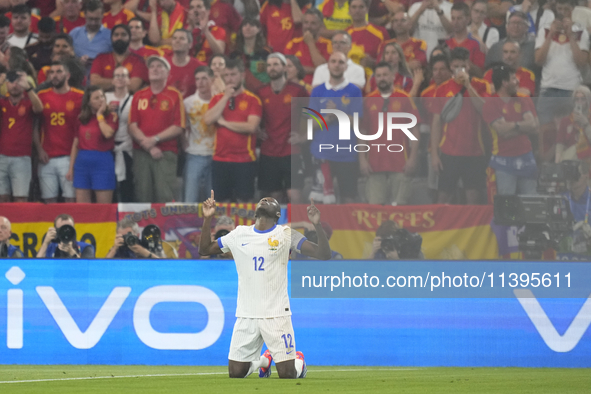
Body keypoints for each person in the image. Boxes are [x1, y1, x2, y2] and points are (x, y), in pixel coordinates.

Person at [198, 192, 331, 379]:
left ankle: (298, 361)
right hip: (247, 314)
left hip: (276, 314)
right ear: (255, 212)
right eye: (263, 199)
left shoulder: (285, 235)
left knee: (287, 375)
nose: (265, 200)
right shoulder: (239, 234)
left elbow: (323, 254)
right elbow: (204, 249)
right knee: (236, 374)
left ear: (278, 215)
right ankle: (264, 361)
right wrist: (207, 219)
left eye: (271, 201)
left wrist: (316, 224)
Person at [430, 47, 490, 205]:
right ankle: (441, 228)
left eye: (462, 66)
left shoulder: (481, 85)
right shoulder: (442, 89)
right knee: (443, 196)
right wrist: (435, 155)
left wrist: (468, 85)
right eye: (456, 66)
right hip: (449, 150)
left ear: (468, 66)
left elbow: (485, 110)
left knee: (473, 196)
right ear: (450, 66)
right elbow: (436, 122)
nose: (459, 70)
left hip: (475, 151)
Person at [535, 0, 589, 162]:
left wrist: (571, 36)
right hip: (548, 89)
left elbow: (582, 62)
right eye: (560, 8)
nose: (563, 12)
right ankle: (547, 171)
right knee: (545, 134)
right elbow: (538, 60)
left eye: (567, 9)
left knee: (573, 133)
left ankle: (571, 172)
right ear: (555, 10)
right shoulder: (544, 31)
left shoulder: (581, 33)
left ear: (572, 11)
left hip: (572, 91)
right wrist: (551, 35)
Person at [361, 61, 421, 206]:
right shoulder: (368, 101)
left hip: (401, 163)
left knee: (400, 210)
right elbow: (362, 132)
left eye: (385, 75)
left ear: (393, 77)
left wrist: (413, 158)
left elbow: (415, 129)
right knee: (375, 210)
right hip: (375, 164)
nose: (382, 78)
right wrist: (362, 159)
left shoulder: (405, 98)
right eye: (379, 75)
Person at [203, 58, 262, 203]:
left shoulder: (252, 99)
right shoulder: (217, 99)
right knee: (222, 202)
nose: (230, 79)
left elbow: (251, 127)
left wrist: (224, 122)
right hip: (220, 159)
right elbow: (208, 119)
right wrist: (226, 97)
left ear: (242, 75)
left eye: (233, 75)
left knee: (245, 202)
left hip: (245, 160)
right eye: (227, 75)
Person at [128, 56, 185, 203]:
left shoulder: (174, 95)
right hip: (141, 151)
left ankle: (167, 226)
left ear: (168, 73)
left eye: (160, 66)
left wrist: (154, 139)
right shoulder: (138, 95)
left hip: (165, 151)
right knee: (142, 194)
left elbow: (179, 126)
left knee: (164, 194)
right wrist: (148, 145)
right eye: (152, 66)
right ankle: (145, 227)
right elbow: (132, 125)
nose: (155, 69)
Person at [308, 51, 363, 204]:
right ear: (328, 66)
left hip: (347, 154)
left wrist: (337, 112)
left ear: (346, 66)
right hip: (321, 154)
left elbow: (358, 122)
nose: (337, 65)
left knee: (349, 198)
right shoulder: (318, 91)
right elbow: (311, 124)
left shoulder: (354, 91)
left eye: (340, 62)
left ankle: (348, 229)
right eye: (333, 61)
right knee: (319, 200)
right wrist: (327, 118)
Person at [256, 53, 309, 203]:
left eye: (276, 64)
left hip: (292, 150)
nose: (272, 68)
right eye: (269, 65)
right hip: (269, 150)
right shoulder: (261, 92)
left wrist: (304, 137)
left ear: (284, 67)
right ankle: (277, 227)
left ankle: (298, 225)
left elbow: (315, 117)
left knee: (295, 195)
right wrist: (257, 131)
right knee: (274, 198)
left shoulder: (298, 91)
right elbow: (253, 117)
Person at [483, 65, 539, 196]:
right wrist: (523, 127)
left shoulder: (522, 98)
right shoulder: (491, 104)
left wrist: (513, 126)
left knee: (531, 200)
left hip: (526, 157)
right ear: (504, 82)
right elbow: (502, 132)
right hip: (504, 160)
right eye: (514, 78)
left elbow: (534, 126)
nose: (518, 81)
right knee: (507, 203)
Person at [36, 61, 84, 203]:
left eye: (59, 72)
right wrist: (39, 150)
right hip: (46, 157)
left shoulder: (80, 96)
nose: (55, 75)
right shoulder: (41, 96)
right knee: (49, 202)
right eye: (52, 72)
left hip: (70, 157)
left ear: (68, 75)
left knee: (70, 200)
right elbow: (35, 126)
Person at [68, 85, 118, 203]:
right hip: (82, 162)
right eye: (96, 98)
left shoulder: (111, 116)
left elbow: (107, 133)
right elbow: (76, 143)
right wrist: (71, 168)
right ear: (89, 102)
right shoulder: (81, 118)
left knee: (103, 207)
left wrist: (100, 115)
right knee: (83, 208)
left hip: (102, 161)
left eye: (102, 96)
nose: (101, 100)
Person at [0, 71, 43, 203]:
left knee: (21, 198)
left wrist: (28, 87)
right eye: (11, 82)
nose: (15, 85)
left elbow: (39, 108)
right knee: (2, 198)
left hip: (22, 157)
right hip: (1, 156)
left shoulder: (28, 102)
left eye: (18, 82)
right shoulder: (3, 101)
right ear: (6, 85)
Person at [183, 65, 215, 203]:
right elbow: (182, 126)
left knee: (213, 199)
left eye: (204, 78)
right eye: (197, 79)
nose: (200, 82)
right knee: (190, 197)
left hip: (216, 154)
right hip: (194, 154)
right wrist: (183, 142)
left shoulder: (219, 101)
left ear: (212, 80)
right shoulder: (188, 103)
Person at [105, 66, 135, 202]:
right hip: (107, 146)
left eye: (123, 75)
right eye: (117, 76)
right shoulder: (105, 98)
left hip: (127, 147)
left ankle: (127, 218)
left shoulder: (135, 100)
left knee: (127, 185)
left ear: (129, 80)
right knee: (108, 185)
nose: (120, 78)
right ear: (112, 80)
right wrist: (104, 110)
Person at [90, 24, 148, 93]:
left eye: (123, 35)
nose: (119, 37)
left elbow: (133, 86)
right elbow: (94, 82)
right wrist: (120, 83)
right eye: (116, 35)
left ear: (129, 38)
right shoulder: (100, 58)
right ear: (111, 38)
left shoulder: (138, 60)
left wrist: (105, 83)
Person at [284, 8, 332, 84]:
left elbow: (324, 69)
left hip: (319, 85)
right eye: (306, 22)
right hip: (297, 86)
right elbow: (288, 69)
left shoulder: (328, 44)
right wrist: (314, 69)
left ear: (320, 25)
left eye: (313, 23)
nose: (308, 26)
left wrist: (310, 43)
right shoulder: (293, 43)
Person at [70, 0, 113, 78]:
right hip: (78, 77)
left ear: (102, 15)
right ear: (84, 15)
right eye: (90, 19)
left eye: (96, 19)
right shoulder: (74, 33)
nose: (93, 23)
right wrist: (77, 62)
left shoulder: (110, 36)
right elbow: (67, 57)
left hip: (101, 78)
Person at [346, 0, 389, 74]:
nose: (357, 10)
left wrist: (373, 62)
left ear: (367, 9)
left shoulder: (381, 32)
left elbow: (389, 60)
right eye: (354, 7)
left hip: (375, 79)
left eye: (361, 7)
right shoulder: (344, 35)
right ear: (349, 10)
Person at [230, 18, 273, 91]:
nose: (248, 27)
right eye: (244, 25)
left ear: (259, 29)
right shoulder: (234, 54)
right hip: (241, 92)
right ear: (241, 30)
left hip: (263, 89)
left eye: (252, 25)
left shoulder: (266, 52)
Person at [445, 2, 485, 74]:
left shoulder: (475, 43)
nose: (455, 22)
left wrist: (468, 64)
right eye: (453, 18)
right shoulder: (446, 43)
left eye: (459, 18)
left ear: (468, 20)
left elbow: (481, 73)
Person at [165, 28, 206, 98]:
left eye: (182, 38)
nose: (177, 41)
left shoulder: (200, 67)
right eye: (174, 38)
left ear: (190, 45)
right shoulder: (162, 64)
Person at [556, 85, 591, 163]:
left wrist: (586, 125)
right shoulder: (566, 121)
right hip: (571, 161)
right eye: (577, 99)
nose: (579, 102)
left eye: (583, 99)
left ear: (588, 101)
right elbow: (560, 144)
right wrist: (557, 164)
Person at [186, 0, 226, 64]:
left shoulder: (218, 30)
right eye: (192, 7)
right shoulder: (186, 31)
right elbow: (178, 49)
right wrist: (190, 27)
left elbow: (219, 53)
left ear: (208, 11)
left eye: (199, 7)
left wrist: (206, 31)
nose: (195, 10)